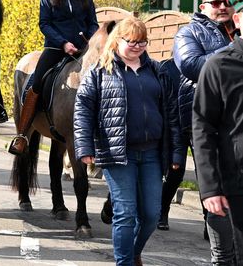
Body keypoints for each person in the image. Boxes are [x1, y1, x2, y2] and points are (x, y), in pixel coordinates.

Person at [74, 17, 183, 266]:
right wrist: (84, 147)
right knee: (125, 214)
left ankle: (133, 253)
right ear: (117, 41)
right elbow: (82, 111)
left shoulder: (157, 71)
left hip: (153, 154)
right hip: (117, 152)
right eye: (131, 41)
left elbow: (172, 115)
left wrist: (177, 152)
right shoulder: (99, 72)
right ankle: (124, 263)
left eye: (142, 42)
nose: (137, 46)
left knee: (151, 215)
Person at [163, 0, 237, 262]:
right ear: (203, 6)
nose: (223, 7)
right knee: (213, 180)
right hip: (202, 117)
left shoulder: (238, 29)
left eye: (227, 2)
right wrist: (235, 50)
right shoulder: (188, 33)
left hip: (237, 119)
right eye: (216, 3)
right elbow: (192, 65)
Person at [9, 0, 98, 155]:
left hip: (82, 49)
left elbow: (92, 22)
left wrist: (90, 41)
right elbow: (45, 24)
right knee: (36, 82)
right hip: (55, 48)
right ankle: (22, 135)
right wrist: (63, 43)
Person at [192, 0, 243, 264]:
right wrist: (210, 189)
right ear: (237, 20)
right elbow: (202, 130)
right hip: (234, 185)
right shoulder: (218, 65)